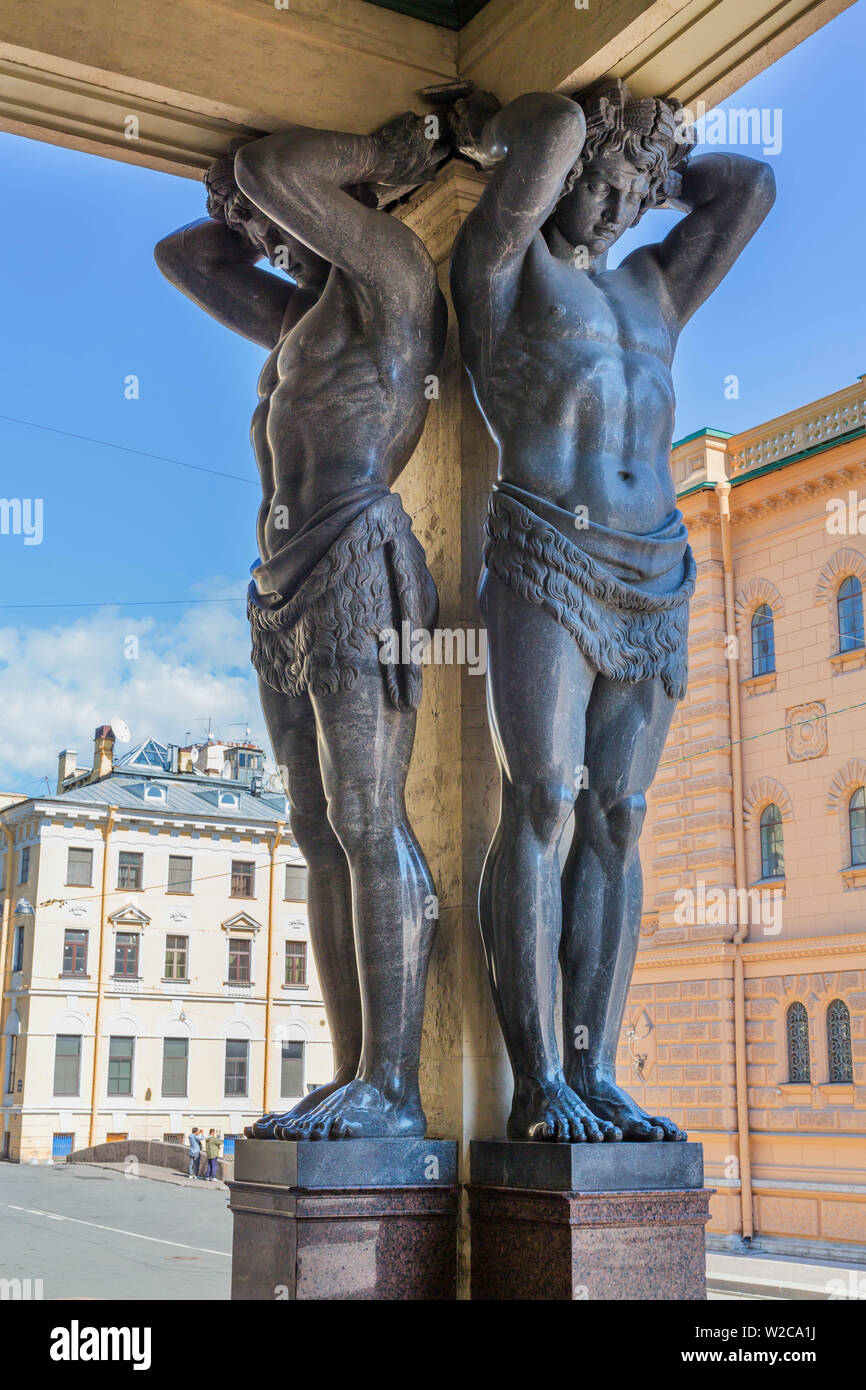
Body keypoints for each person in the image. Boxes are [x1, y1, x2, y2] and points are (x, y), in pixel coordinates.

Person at [451, 77, 775, 1143]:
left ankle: (590, 1072)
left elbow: (747, 188)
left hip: (656, 567)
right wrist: (568, 143)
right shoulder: (500, 270)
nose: (616, 206)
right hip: (545, 549)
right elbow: (543, 129)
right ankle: (535, 1080)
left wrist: (646, 163)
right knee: (541, 800)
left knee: (618, 821)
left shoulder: (652, 287)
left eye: (632, 193)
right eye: (600, 185)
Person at [155, 113, 449, 1140]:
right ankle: (347, 1072)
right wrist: (247, 216)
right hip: (279, 587)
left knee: (370, 822)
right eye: (259, 225)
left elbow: (273, 165)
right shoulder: (296, 323)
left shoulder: (390, 282)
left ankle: (396, 1083)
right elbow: (183, 253)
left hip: (356, 560)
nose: (265, 230)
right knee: (317, 832)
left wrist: (387, 158)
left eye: (278, 221)